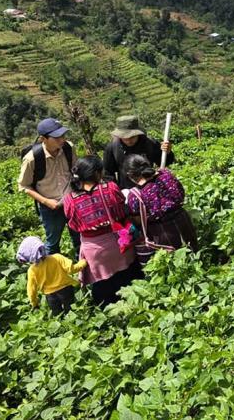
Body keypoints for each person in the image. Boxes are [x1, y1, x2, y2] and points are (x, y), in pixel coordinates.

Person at [63, 156, 143, 306]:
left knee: (103, 289)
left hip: (94, 251)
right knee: (129, 279)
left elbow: (73, 225)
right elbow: (122, 212)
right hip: (119, 243)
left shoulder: (70, 200)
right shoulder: (110, 188)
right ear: (98, 173)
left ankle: (108, 319)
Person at [18, 118, 80, 256]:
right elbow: (24, 186)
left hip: (71, 201)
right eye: (56, 137)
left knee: (79, 237)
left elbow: (76, 171)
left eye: (63, 135)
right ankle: (54, 271)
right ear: (43, 139)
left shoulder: (69, 148)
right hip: (50, 206)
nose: (62, 139)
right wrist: (46, 202)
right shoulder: (32, 159)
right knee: (52, 243)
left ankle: (83, 270)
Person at [124, 154, 197, 254]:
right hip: (183, 221)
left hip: (163, 232)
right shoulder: (166, 175)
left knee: (176, 263)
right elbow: (181, 193)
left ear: (130, 175)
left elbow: (138, 220)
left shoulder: (135, 195)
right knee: (195, 253)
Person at [16, 236, 87, 315]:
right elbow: (71, 269)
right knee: (71, 311)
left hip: (50, 295)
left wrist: (34, 303)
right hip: (66, 290)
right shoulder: (57, 257)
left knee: (57, 314)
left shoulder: (32, 271)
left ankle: (62, 326)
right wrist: (83, 262)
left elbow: (31, 290)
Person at [103, 115, 174, 189]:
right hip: (126, 190)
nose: (128, 141)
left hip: (150, 189)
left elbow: (164, 162)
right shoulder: (113, 147)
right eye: (124, 138)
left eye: (132, 137)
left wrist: (167, 152)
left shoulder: (150, 143)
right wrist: (115, 190)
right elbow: (108, 173)